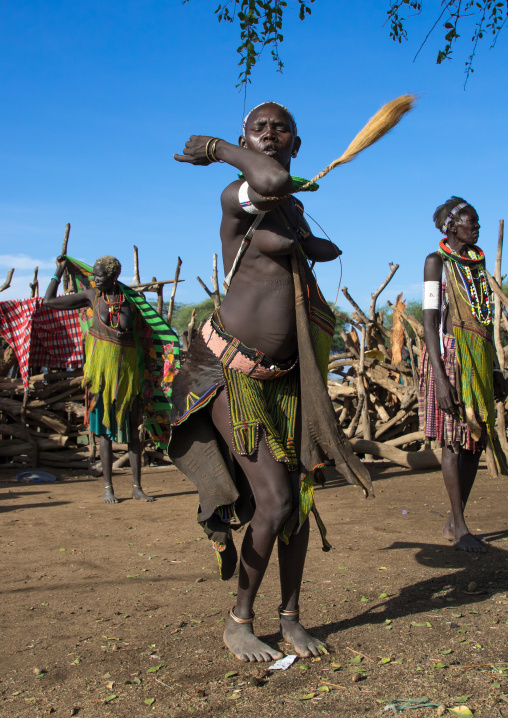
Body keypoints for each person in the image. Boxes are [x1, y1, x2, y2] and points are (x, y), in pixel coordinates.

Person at [172, 102, 372, 662]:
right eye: (257, 128)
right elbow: (269, 178)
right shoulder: (238, 195)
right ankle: (239, 620)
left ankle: (289, 617)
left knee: (298, 502)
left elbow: (317, 247)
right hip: (229, 374)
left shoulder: (292, 208)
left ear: (298, 142)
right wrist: (216, 149)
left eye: (279, 127)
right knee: (275, 498)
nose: (269, 134)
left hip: (285, 381)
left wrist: (305, 244)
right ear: (243, 138)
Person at [419, 197, 507, 552]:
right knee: (454, 441)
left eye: (478, 222)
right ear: (452, 226)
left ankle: (456, 521)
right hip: (450, 359)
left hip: (479, 358)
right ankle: (460, 527)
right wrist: (440, 379)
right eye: (472, 221)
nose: (478, 226)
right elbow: (428, 322)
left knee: (474, 439)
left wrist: (497, 368)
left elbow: (485, 322)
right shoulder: (435, 263)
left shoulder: (476, 265)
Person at [44, 255, 154, 504]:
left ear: (114, 276)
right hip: (100, 379)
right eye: (94, 275)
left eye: (100, 275)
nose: (95, 279)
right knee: (103, 432)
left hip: (128, 378)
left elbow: (150, 331)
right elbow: (48, 301)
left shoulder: (132, 301)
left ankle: (137, 487)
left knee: (134, 433)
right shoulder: (91, 296)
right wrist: (58, 272)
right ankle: (108, 487)